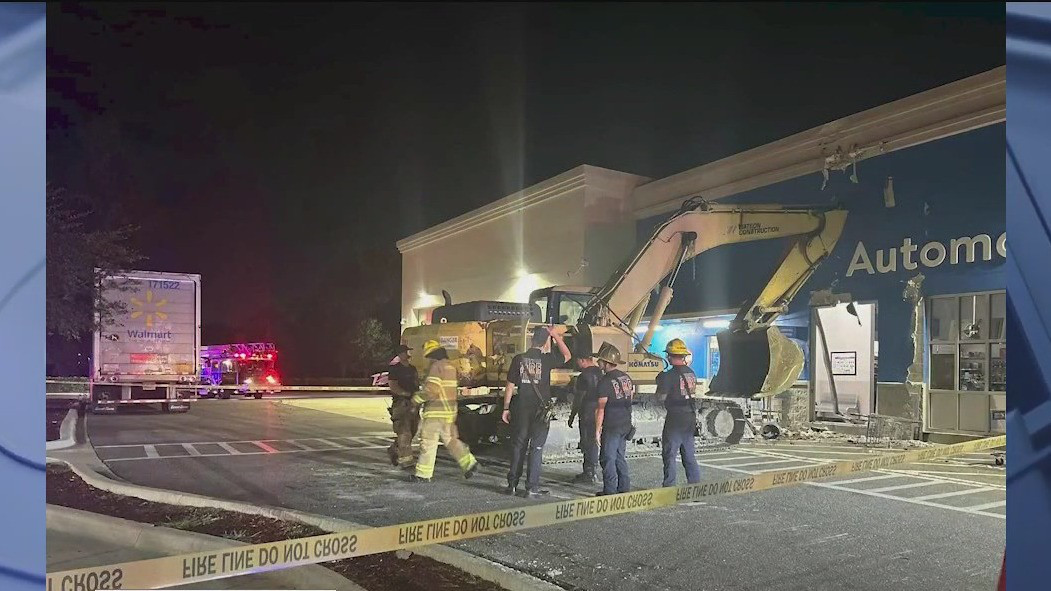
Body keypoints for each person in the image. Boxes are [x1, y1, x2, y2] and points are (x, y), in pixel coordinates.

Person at [502, 325, 571, 498]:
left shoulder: (519, 359)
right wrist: (555, 335)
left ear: (531, 339)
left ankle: (512, 485)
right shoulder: (547, 359)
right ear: (545, 342)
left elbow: (509, 386)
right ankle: (531, 488)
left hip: (521, 408)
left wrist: (506, 408)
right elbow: (567, 355)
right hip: (541, 411)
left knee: (519, 445)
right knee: (536, 448)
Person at [410, 340, 479, 482]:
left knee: (428, 443)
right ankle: (469, 463)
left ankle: (423, 474)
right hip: (449, 412)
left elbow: (432, 390)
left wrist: (416, 398)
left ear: (432, 355)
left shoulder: (437, 367)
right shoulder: (451, 367)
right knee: (451, 440)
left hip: (435, 412)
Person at [657, 338, 701, 487]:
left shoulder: (668, 376)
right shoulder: (691, 373)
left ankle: (669, 486)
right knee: (688, 454)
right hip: (689, 417)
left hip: (675, 418)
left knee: (669, 453)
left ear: (670, 356)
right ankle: (694, 485)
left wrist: (660, 383)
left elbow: (661, 397)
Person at [594, 342, 634, 496]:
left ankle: (609, 491)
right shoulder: (626, 377)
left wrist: (597, 430)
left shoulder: (604, 382)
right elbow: (630, 398)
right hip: (625, 423)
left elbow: (601, 408)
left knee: (607, 458)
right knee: (619, 456)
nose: (598, 362)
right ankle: (624, 488)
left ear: (606, 362)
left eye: (600, 360)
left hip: (612, 426)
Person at [568, 353, 603, 484]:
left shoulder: (583, 376)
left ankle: (589, 473)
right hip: (598, 411)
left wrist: (572, 414)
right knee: (593, 441)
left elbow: (579, 397)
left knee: (587, 441)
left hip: (587, 412)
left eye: (577, 361)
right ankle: (591, 471)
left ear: (582, 360)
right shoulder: (600, 373)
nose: (577, 364)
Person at [386, 344, 421, 470]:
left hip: (413, 403)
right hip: (401, 404)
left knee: (413, 430)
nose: (408, 354)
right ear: (400, 354)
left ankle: (395, 448)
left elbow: (416, 384)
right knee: (404, 433)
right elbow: (393, 386)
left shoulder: (412, 369)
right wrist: (405, 394)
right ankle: (407, 462)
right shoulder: (395, 369)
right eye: (406, 352)